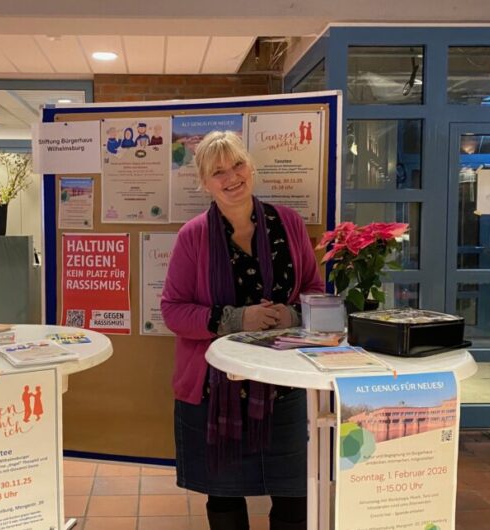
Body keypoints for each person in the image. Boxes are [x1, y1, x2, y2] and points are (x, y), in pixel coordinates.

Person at [161, 130, 324, 530]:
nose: (231, 177)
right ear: (204, 183)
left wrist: (292, 315)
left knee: (294, 498)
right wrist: (237, 319)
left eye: (237, 165)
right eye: (218, 172)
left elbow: (316, 292)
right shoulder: (193, 236)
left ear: (250, 167)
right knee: (225, 497)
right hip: (217, 393)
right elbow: (172, 310)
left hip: (285, 389)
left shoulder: (288, 223)